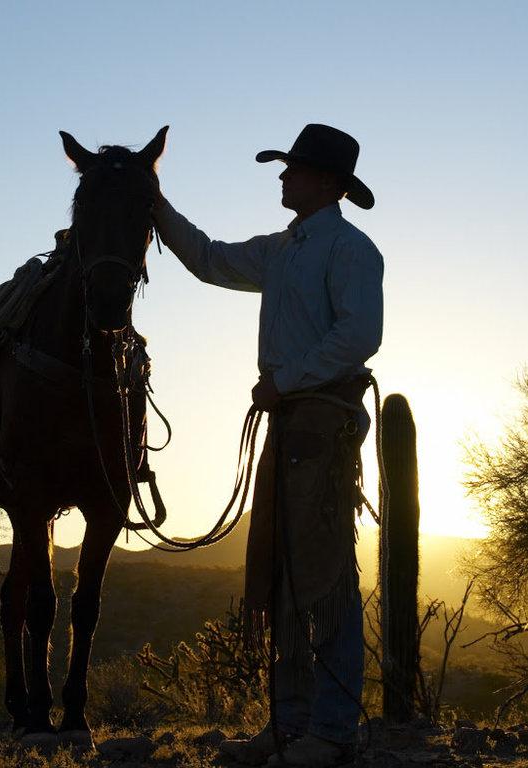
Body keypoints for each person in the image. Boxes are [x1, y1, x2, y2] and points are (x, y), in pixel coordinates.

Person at [153, 124, 384, 767]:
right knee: (285, 567)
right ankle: (292, 725)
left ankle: (332, 732)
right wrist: (156, 204)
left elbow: (359, 335)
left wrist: (286, 379)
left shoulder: (350, 249)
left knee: (325, 570)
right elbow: (208, 258)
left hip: (321, 419)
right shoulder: (282, 251)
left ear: (328, 184)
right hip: (293, 421)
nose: (282, 178)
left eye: (294, 170)